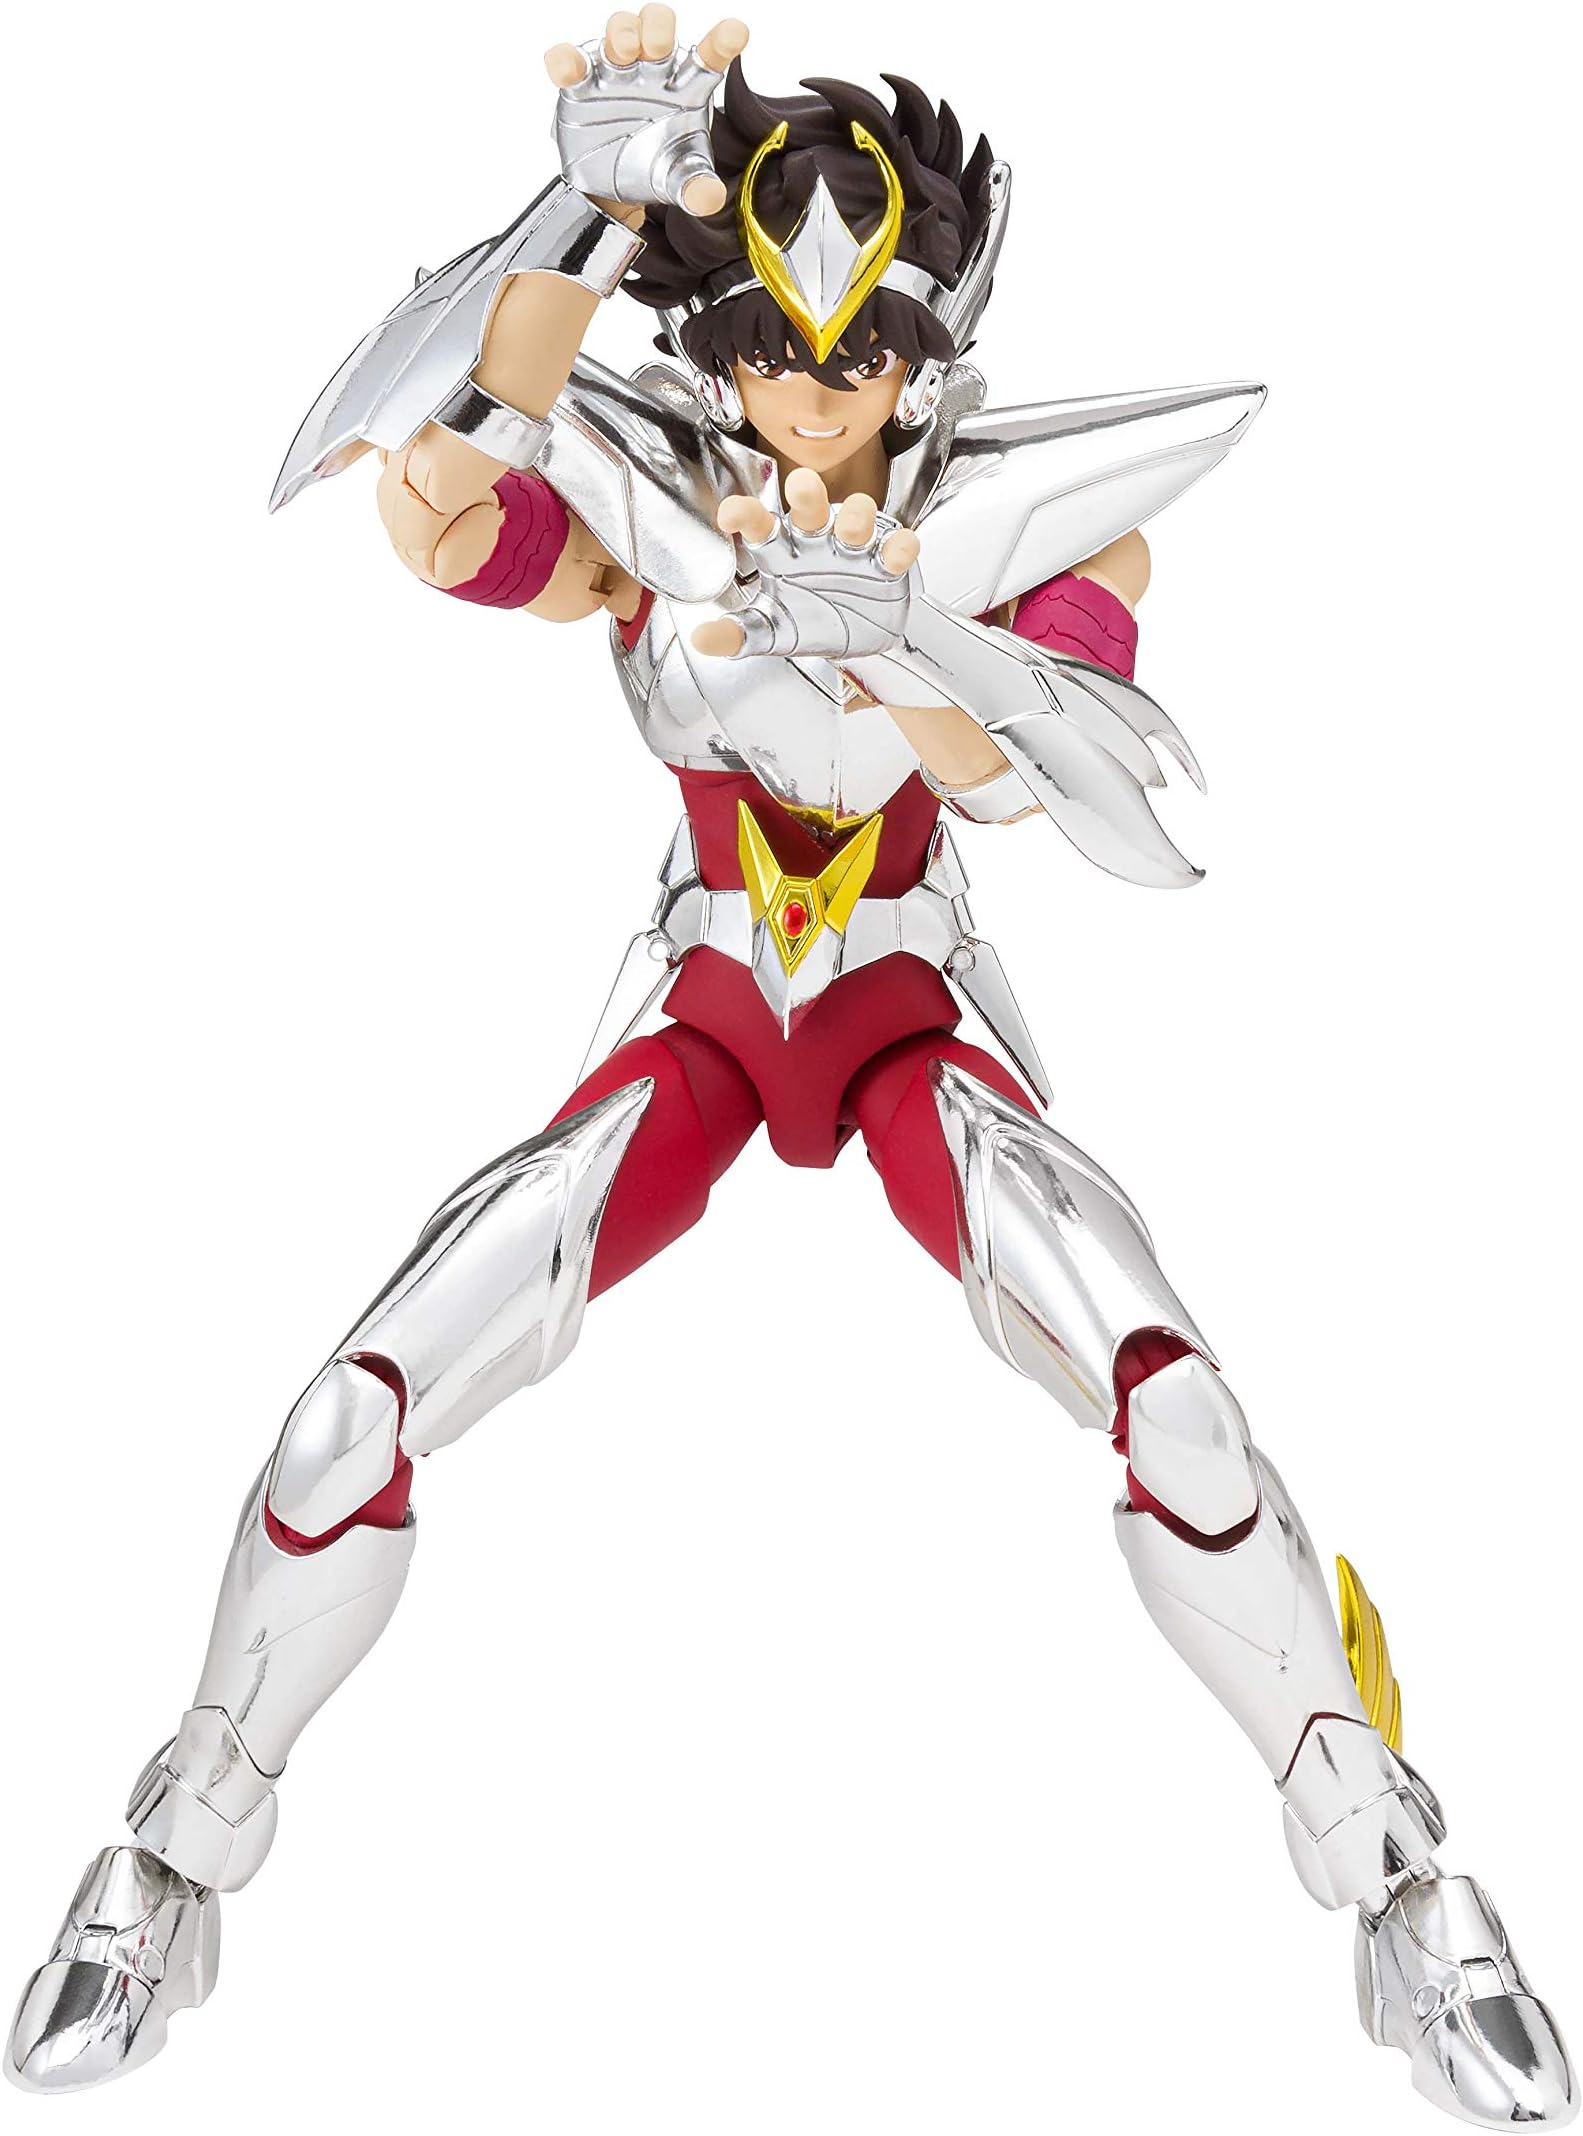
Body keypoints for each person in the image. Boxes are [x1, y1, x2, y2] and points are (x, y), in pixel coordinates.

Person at [7, 14, 1575, 2125]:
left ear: (928, 350)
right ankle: (170, 1862)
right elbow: (441, 507)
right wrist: (578, 211)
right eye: (767, 349)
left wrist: (905, 637)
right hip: (713, 1022)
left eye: (856, 355)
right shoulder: (663, 519)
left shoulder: (1030, 531)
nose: (809, 395)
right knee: (342, 1419)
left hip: (911, 1024)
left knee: (1179, 1402)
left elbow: (1027, 782)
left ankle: (1400, 1885)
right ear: (722, 338)